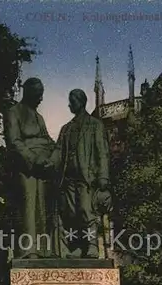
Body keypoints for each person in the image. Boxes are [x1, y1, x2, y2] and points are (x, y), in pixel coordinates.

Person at [47, 89, 111, 258]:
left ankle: (91, 246)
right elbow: (58, 152)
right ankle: (77, 247)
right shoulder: (66, 129)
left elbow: (102, 152)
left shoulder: (95, 125)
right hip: (68, 179)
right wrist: (47, 163)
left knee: (86, 211)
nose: (69, 105)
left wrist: (103, 177)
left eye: (72, 101)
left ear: (81, 102)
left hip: (86, 178)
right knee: (71, 214)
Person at [5, 78, 55, 258]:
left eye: (42, 94)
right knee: (28, 206)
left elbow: (48, 140)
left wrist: (52, 158)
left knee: (42, 208)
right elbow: (15, 142)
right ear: (28, 92)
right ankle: (27, 250)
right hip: (26, 167)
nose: (41, 98)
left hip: (43, 168)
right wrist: (35, 160)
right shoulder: (14, 112)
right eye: (38, 94)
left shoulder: (39, 117)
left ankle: (41, 250)